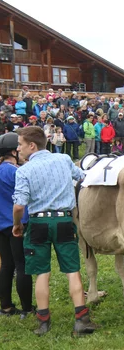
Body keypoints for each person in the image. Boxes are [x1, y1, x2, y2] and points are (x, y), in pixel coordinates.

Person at [11, 126, 97, 336]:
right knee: (72, 270)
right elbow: (83, 177)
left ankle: (43, 323)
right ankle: (81, 320)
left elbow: (19, 206)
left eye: (20, 145)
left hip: (38, 224)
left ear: (32, 146)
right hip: (64, 221)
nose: (18, 149)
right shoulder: (64, 159)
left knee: (42, 273)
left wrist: (17, 224)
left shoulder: (23, 170)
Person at [0, 133, 33, 319]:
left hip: (1, 225)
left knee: (6, 265)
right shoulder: (16, 172)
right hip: (17, 224)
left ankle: (5, 306)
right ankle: (27, 308)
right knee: (22, 265)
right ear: (13, 151)